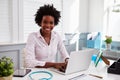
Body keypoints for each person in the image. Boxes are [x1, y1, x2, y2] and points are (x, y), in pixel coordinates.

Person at [25, 4, 69, 72]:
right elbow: (29, 63)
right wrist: (53, 64)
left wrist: (67, 60)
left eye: (51, 23)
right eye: (45, 22)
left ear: (54, 24)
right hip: (36, 71)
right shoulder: (32, 37)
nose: (48, 25)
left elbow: (64, 53)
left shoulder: (57, 36)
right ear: (40, 22)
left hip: (53, 71)